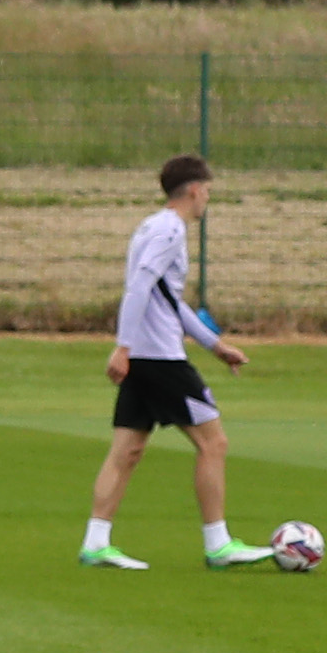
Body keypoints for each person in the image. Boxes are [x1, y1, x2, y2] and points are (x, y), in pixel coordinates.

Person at [81, 153, 275, 570]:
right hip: (160, 359)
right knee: (213, 442)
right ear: (193, 190)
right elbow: (139, 287)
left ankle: (96, 544)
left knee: (128, 448)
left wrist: (214, 345)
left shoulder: (152, 226)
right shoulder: (170, 230)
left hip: (149, 355)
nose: (208, 199)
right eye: (207, 191)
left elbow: (166, 300)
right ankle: (218, 544)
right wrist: (123, 345)